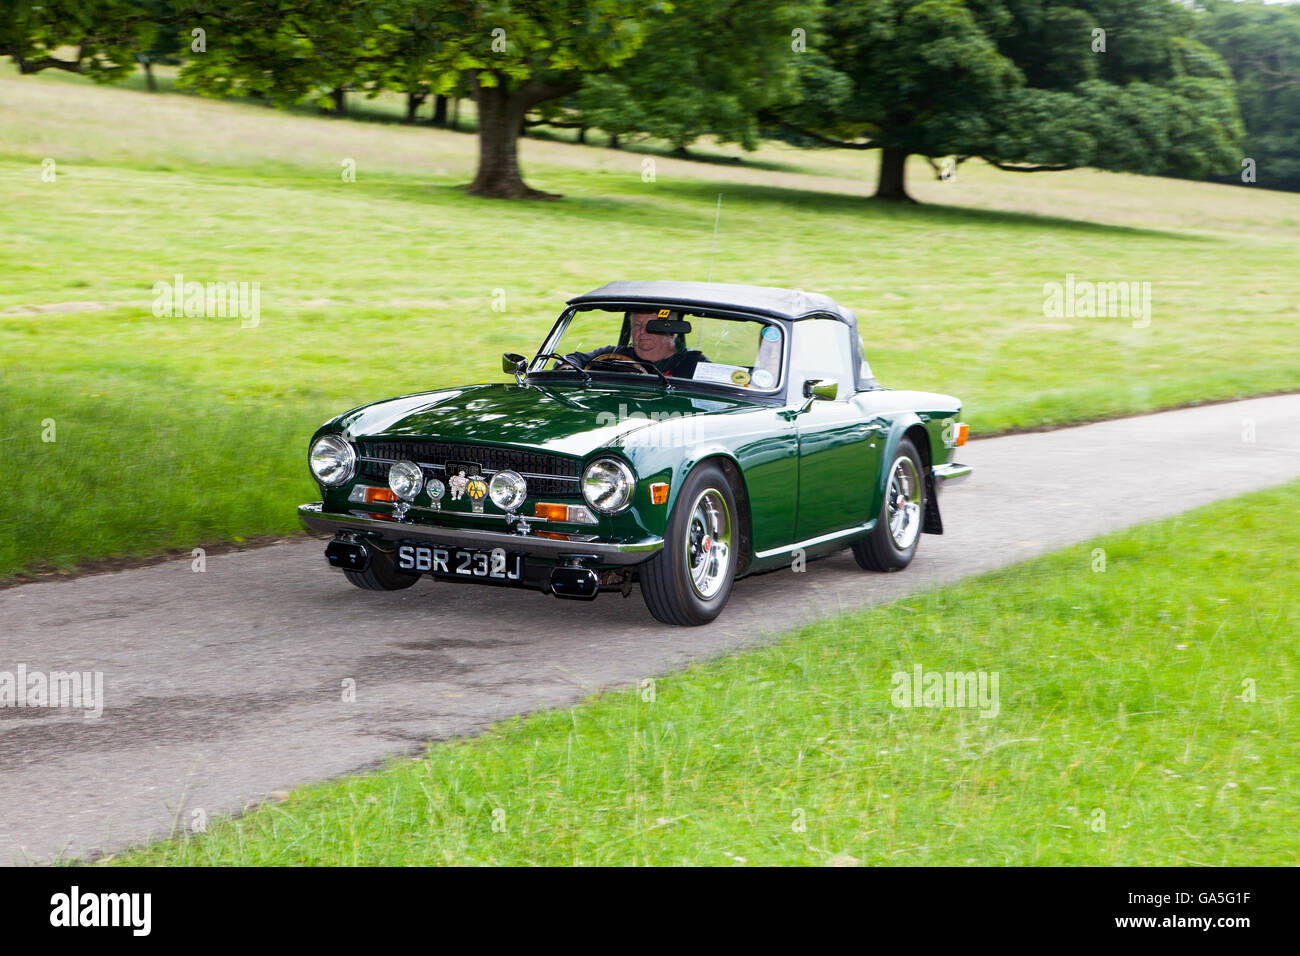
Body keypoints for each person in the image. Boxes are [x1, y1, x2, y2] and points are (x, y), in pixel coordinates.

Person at [568, 310, 708, 379]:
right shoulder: (614, 355)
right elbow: (574, 359)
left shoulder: (695, 364)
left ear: (671, 331)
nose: (642, 332)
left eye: (651, 326)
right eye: (637, 325)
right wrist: (567, 369)